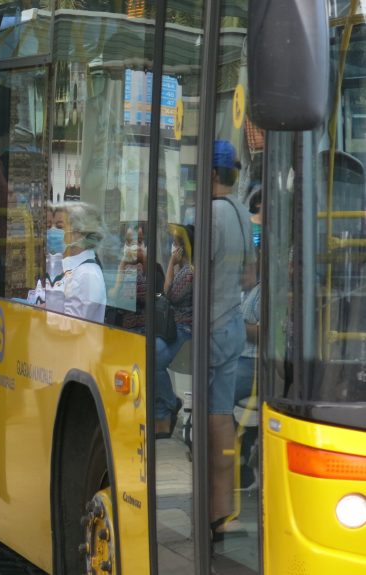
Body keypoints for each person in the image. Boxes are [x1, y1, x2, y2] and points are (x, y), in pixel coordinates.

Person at [207, 139, 254, 541]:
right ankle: (221, 512)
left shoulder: (208, 216)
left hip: (211, 327)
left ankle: (210, 509)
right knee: (222, 417)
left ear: (210, 175)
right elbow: (249, 277)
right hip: (235, 324)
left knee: (211, 418)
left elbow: (196, 276)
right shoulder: (241, 213)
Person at [154, 224, 194, 438]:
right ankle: (163, 411)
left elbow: (167, 293)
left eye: (176, 243)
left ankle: (169, 403)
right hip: (174, 326)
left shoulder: (188, 272)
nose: (173, 247)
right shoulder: (185, 268)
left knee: (155, 357)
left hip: (183, 327)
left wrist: (170, 264)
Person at [44, 201, 107, 322]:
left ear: (78, 232)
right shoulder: (66, 264)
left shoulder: (88, 274)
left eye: (59, 227)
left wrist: (38, 313)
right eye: (49, 226)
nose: (51, 232)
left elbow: (72, 326)